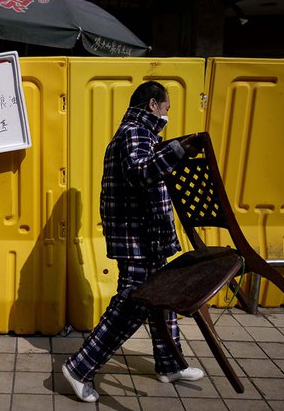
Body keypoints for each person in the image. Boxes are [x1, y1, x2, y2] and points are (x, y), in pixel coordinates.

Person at [62, 80, 203, 402]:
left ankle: (170, 364)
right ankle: (80, 366)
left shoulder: (140, 134)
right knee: (133, 301)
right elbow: (140, 172)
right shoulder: (134, 132)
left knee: (159, 295)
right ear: (152, 105)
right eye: (166, 107)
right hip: (138, 235)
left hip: (142, 234)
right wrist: (178, 149)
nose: (167, 114)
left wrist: (172, 150)